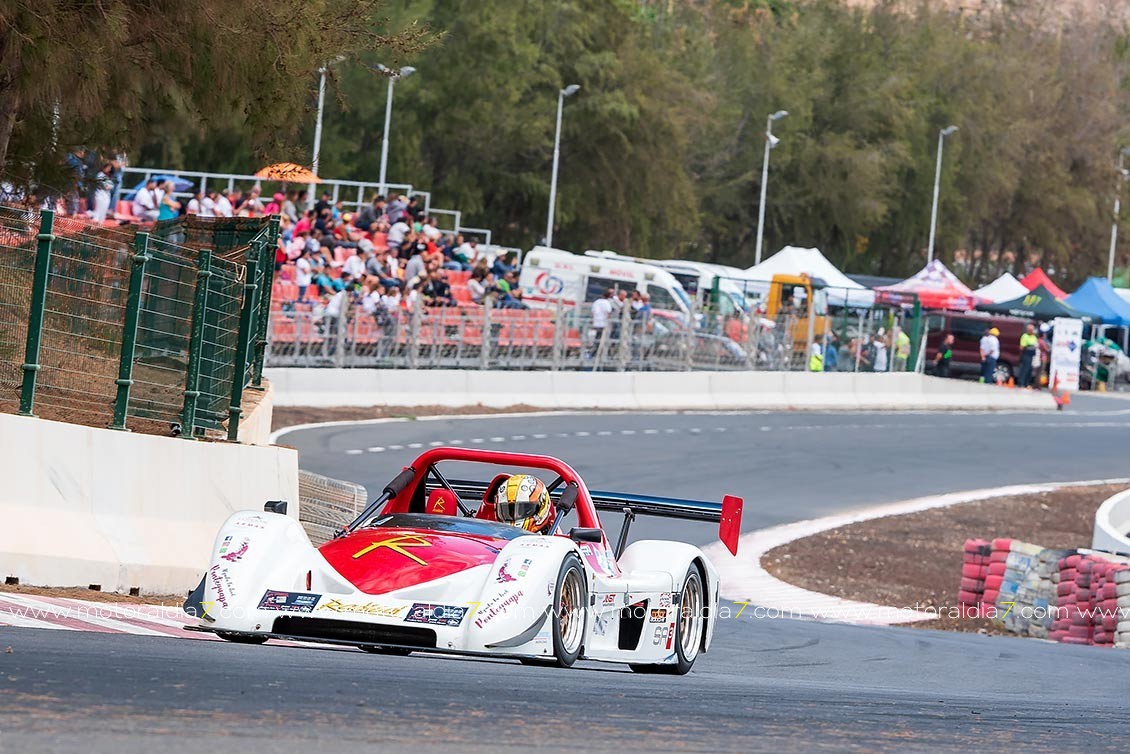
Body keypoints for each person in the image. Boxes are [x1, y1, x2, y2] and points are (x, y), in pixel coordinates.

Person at [1018, 323, 1038, 388]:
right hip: (1026, 355)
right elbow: (1021, 347)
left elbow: (1036, 345)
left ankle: (1027, 383)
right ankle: (1021, 383)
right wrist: (1028, 346)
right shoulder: (1025, 336)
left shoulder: (1034, 337)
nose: (1032, 331)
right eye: (1031, 330)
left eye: (1033, 329)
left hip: (1032, 356)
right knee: (1025, 369)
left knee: (1030, 370)